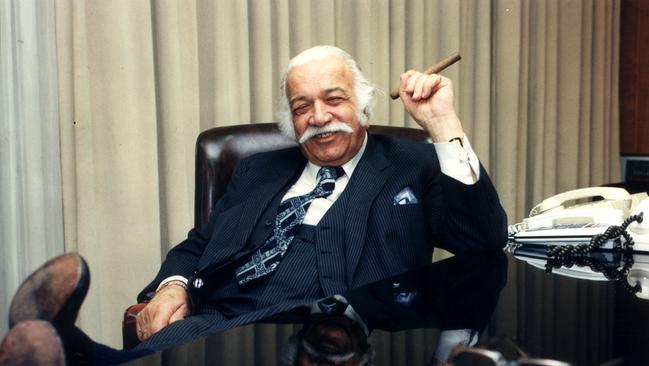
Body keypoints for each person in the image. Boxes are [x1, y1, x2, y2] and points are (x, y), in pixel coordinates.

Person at [133, 45, 507, 352]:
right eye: (301, 107)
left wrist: (443, 124)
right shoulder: (257, 170)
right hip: (217, 330)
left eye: (334, 99)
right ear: (290, 120)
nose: (319, 117)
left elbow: (484, 242)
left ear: (363, 106)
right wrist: (172, 286)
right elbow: (200, 243)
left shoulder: (413, 165)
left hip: (335, 341)